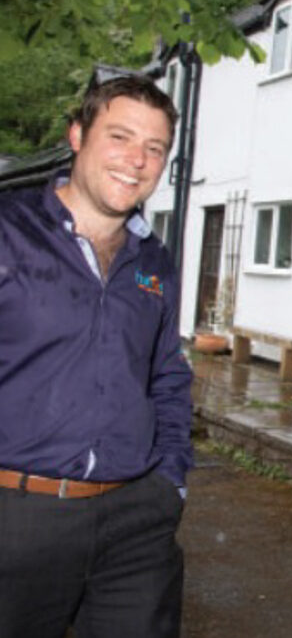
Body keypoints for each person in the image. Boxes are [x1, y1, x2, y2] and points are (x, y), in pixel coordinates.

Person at [0, 76, 192, 638]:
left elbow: (167, 375)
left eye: (154, 148)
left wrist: (170, 483)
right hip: (17, 515)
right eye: (120, 137)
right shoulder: (9, 232)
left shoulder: (154, 261)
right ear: (78, 135)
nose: (137, 160)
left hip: (136, 522)